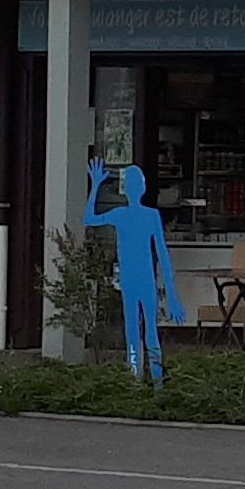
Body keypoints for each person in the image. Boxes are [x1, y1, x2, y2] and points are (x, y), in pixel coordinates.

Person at [85, 157, 176, 382]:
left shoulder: (121, 214)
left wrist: (96, 185)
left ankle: (136, 380)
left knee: (133, 334)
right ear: (143, 188)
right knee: (148, 333)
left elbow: (89, 218)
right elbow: (163, 256)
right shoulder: (149, 215)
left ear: (126, 190)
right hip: (143, 280)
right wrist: (172, 296)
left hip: (132, 281)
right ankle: (155, 383)